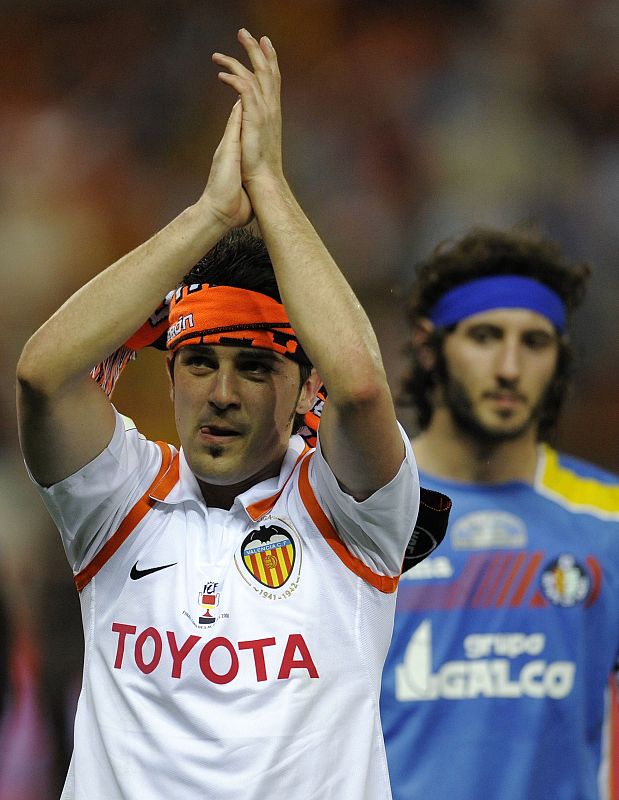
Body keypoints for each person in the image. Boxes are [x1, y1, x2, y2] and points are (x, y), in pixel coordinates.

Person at [16, 29, 426, 800]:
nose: (223, 393)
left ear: (305, 387)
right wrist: (208, 214)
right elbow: (43, 375)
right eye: (199, 362)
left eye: (257, 367)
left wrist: (269, 186)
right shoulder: (116, 502)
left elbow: (362, 386)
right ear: (169, 373)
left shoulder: (349, 514)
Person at [380, 227, 619, 800]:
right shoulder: (362, 513)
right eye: (485, 337)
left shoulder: (608, 521)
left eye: (534, 342)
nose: (510, 367)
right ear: (429, 346)